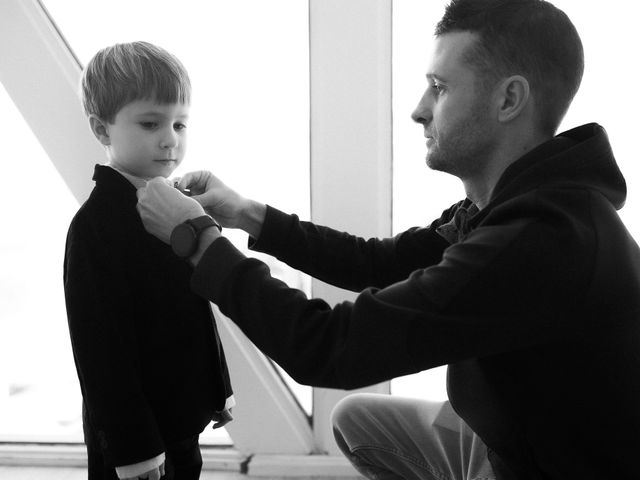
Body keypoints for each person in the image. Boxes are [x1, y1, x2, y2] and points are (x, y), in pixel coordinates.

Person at [137, 0, 640, 479]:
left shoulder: (542, 241)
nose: (420, 110)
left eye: (440, 88)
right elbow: (380, 263)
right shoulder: (514, 201)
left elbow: (329, 348)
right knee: (358, 420)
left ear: (508, 99)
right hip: (517, 435)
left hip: (552, 467)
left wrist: (196, 240)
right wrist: (249, 215)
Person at [63, 41, 234, 480]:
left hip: (181, 417)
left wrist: (218, 390)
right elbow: (101, 353)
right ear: (102, 130)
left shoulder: (173, 205)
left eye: (180, 123)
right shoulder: (94, 229)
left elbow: (196, 310)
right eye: (150, 123)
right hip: (132, 437)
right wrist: (135, 450)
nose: (170, 139)